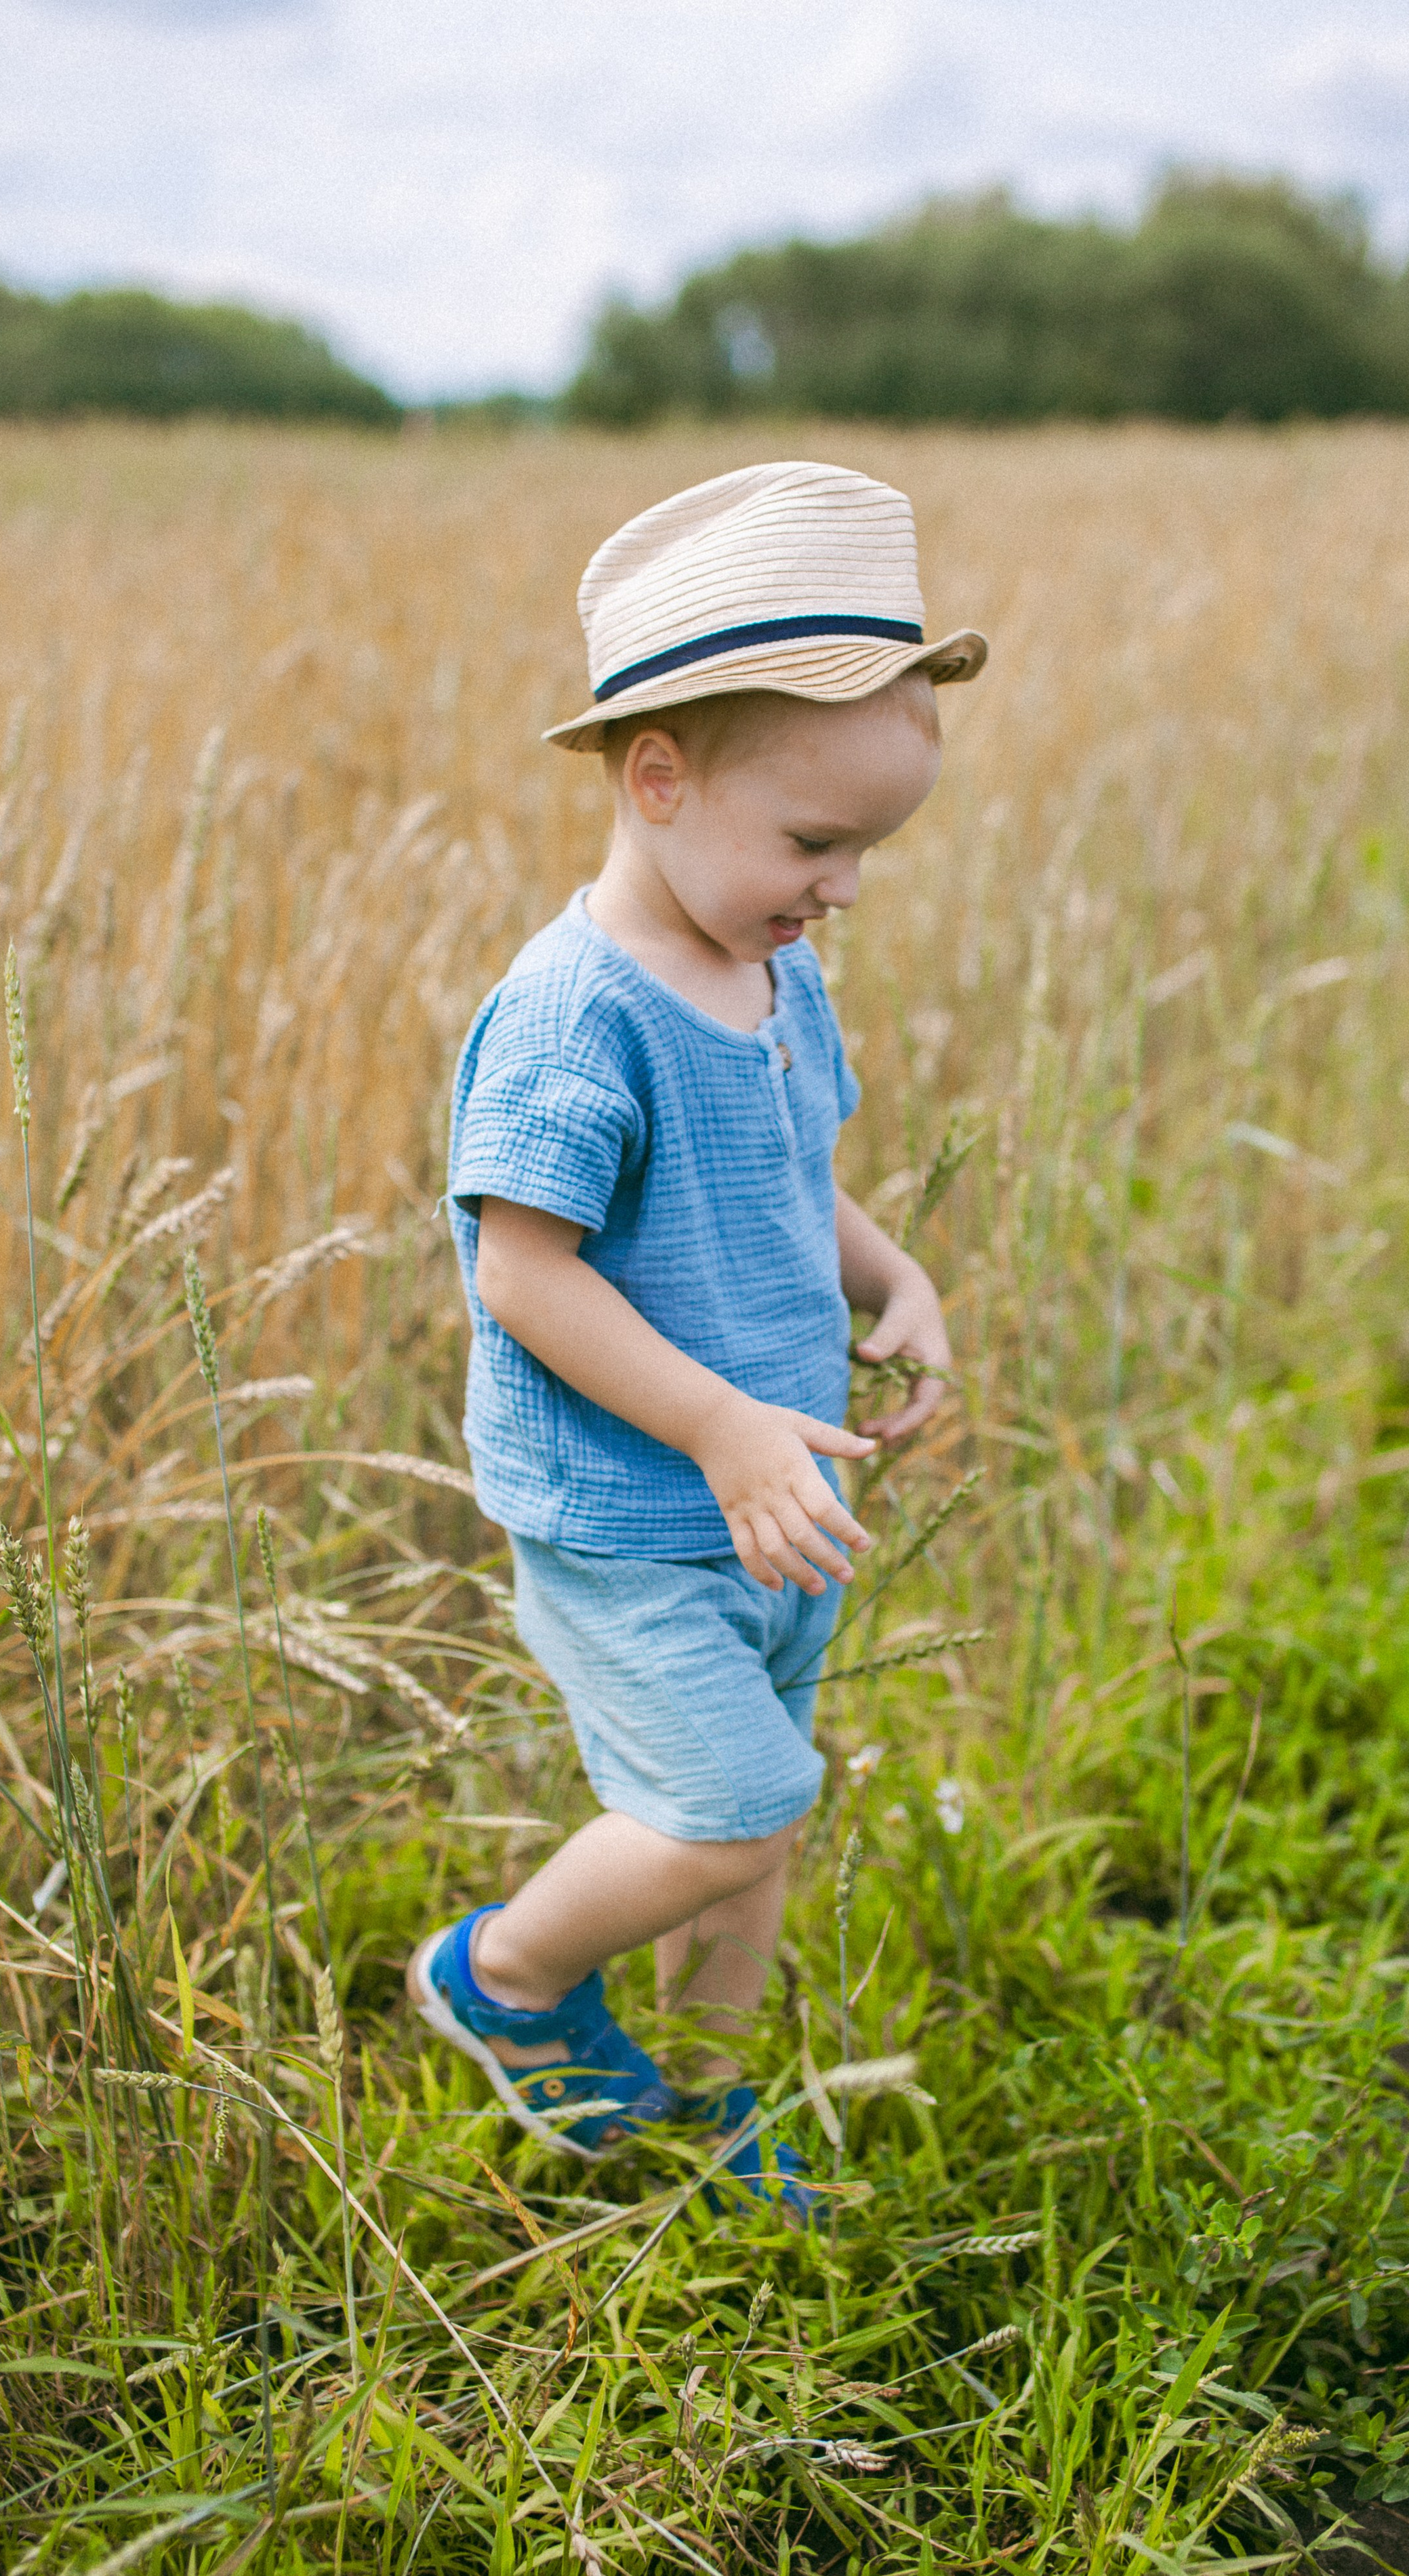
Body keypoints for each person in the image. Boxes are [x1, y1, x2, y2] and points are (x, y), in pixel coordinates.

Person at [409, 460, 986, 2214]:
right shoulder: (578, 1016)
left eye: (868, 852)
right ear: (656, 780)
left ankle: (708, 2100)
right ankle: (499, 1978)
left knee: (767, 1811)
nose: (844, 890)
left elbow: (792, 1169)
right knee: (726, 1801)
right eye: (816, 844)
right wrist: (726, 1425)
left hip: (776, 1498)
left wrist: (896, 1282)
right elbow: (525, 1273)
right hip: (639, 1505)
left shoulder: (771, 966)